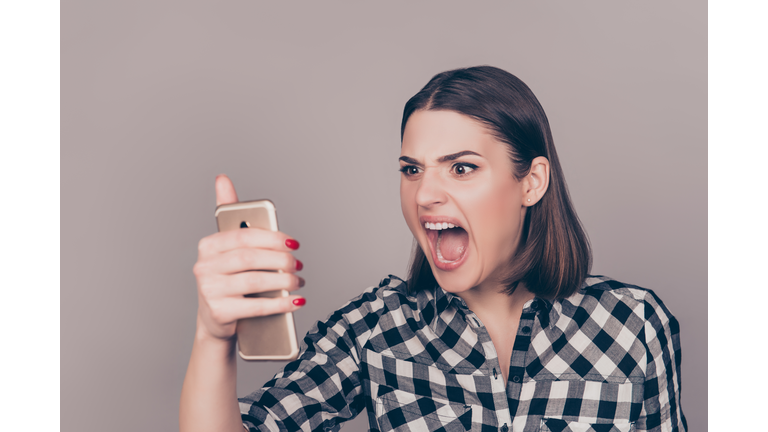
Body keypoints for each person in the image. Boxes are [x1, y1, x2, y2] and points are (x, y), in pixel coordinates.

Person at [180, 66, 687, 432]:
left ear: (531, 183)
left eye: (461, 167)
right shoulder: (376, 329)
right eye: (411, 169)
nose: (424, 194)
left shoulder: (635, 324)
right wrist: (213, 336)